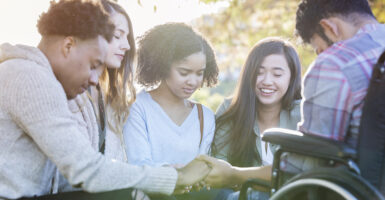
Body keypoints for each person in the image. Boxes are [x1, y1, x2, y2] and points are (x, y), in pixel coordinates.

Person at [0, 1, 210, 199]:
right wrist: (176, 178)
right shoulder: (28, 76)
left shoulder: (45, 79)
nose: (94, 79)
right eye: (93, 65)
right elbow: (85, 170)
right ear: (68, 46)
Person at [204, 37, 302, 200]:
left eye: (277, 74)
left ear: (291, 78)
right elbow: (220, 172)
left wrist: (236, 175)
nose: (267, 81)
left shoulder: (301, 114)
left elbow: (297, 174)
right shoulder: (231, 110)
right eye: (259, 72)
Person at [123, 23, 218, 167]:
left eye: (200, 73)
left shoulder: (205, 116)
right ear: (162, 66)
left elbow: (203, 170)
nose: (192, 81)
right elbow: (139, 165)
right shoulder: (137, 108)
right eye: (184, 72)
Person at [295, 0, 385, 148]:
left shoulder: (334, 63)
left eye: (320, 50)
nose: (322, 56)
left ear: (330, 27)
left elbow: (309, 160)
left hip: (357, 170)